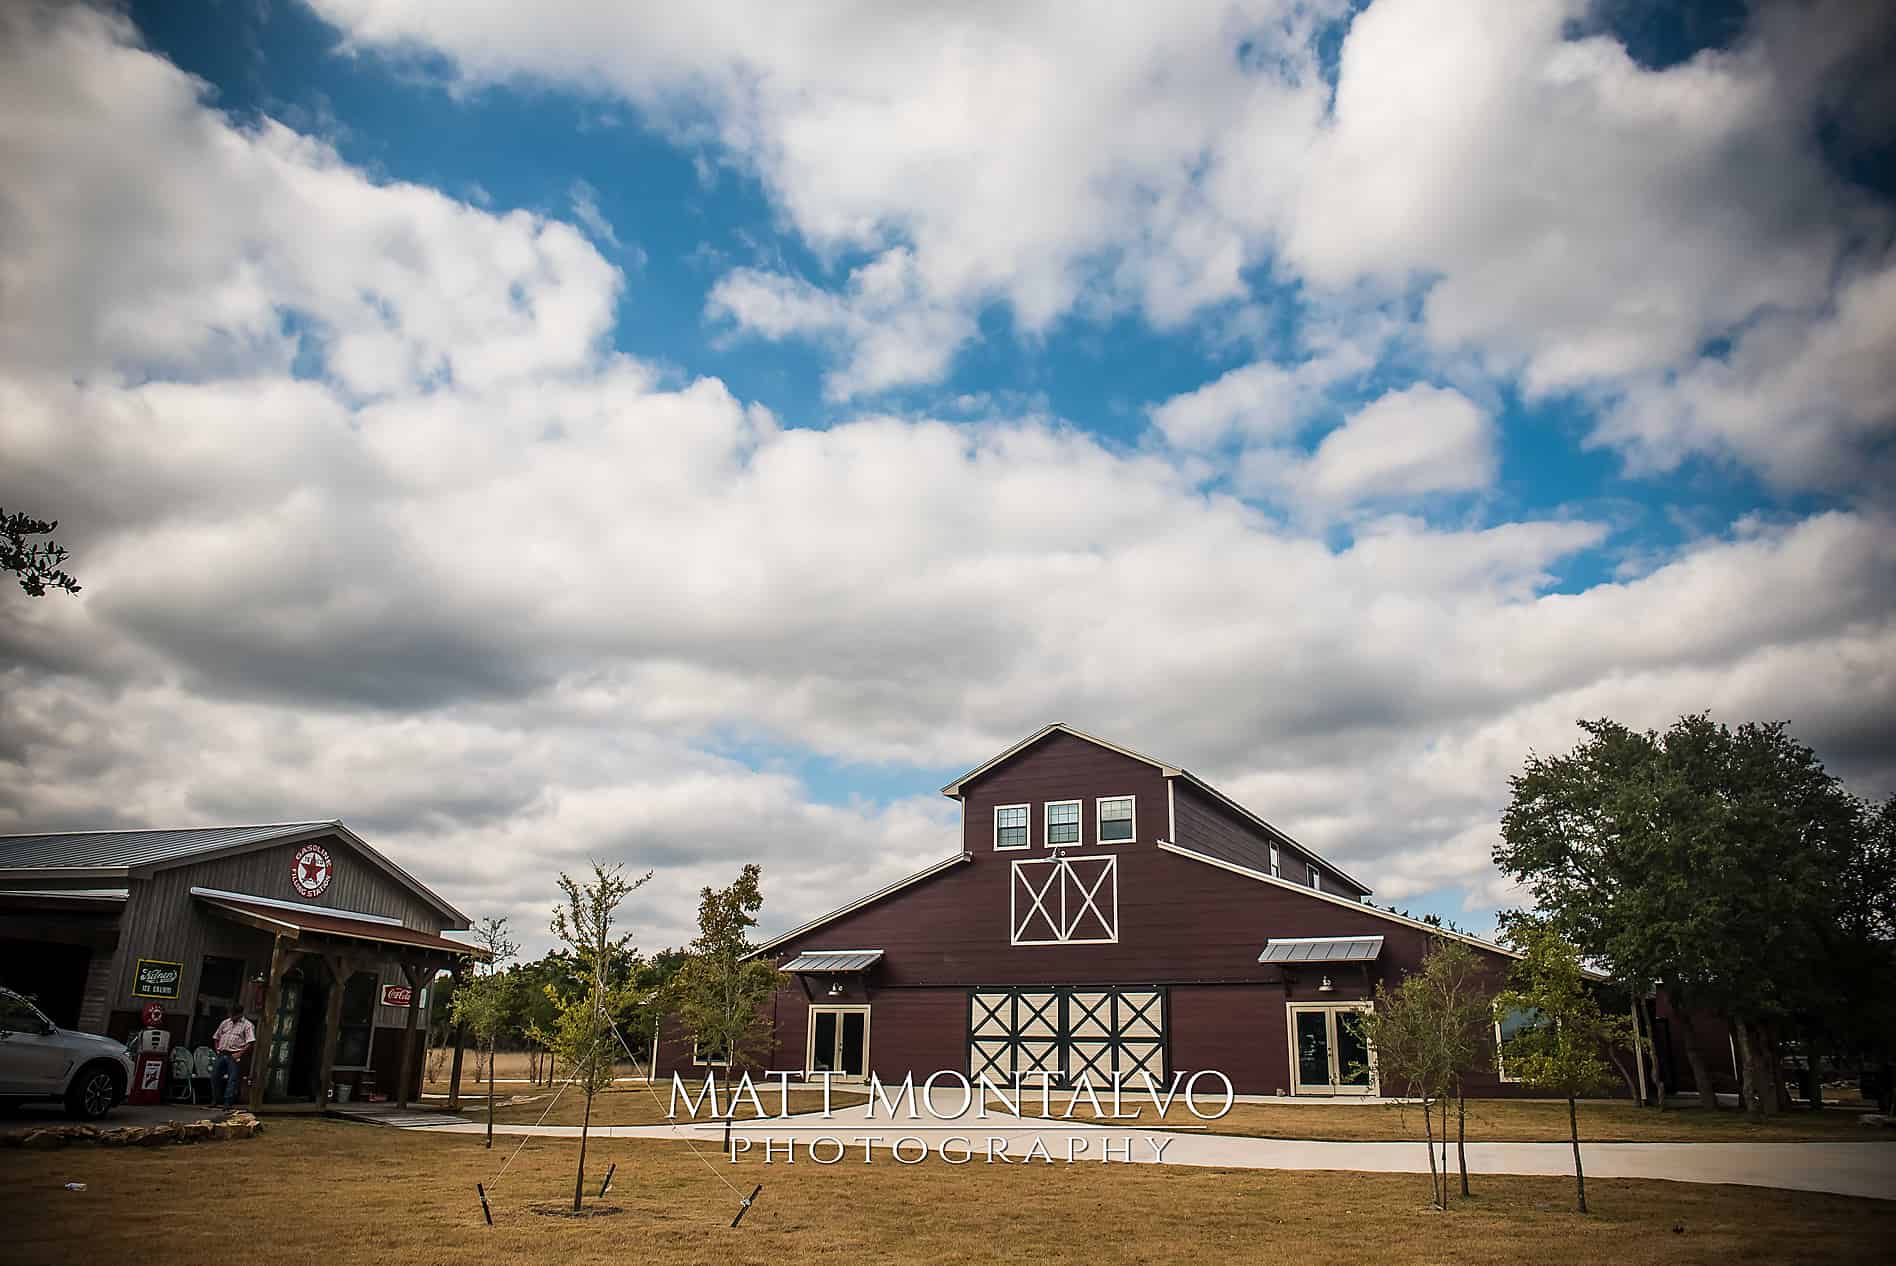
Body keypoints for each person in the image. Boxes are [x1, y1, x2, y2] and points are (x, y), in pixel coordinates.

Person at [210, 1004, 255, 1111]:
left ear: (240, 1014)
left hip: (234, 1054)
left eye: (234, 1015)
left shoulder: (247, 1025)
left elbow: (250, 1042)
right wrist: (217, 1049)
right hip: (222, 1053)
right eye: (231, 1014)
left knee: (232, 1079)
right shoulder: (225, 1023)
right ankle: (215, 1100)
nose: (232, 1017)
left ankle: (227, 1102)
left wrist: (240, 1053)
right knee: (215, 1076)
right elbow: (216, 1037)